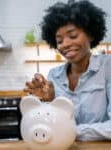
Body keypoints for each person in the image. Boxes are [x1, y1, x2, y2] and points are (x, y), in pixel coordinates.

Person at [24, 0, 111, 141]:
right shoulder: (54, 75)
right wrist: (48, 102)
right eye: (59, 41)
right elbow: (50, 125)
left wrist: (71, 131)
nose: (65, 44)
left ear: (90, 34)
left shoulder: (108, 68)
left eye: (73, 36)